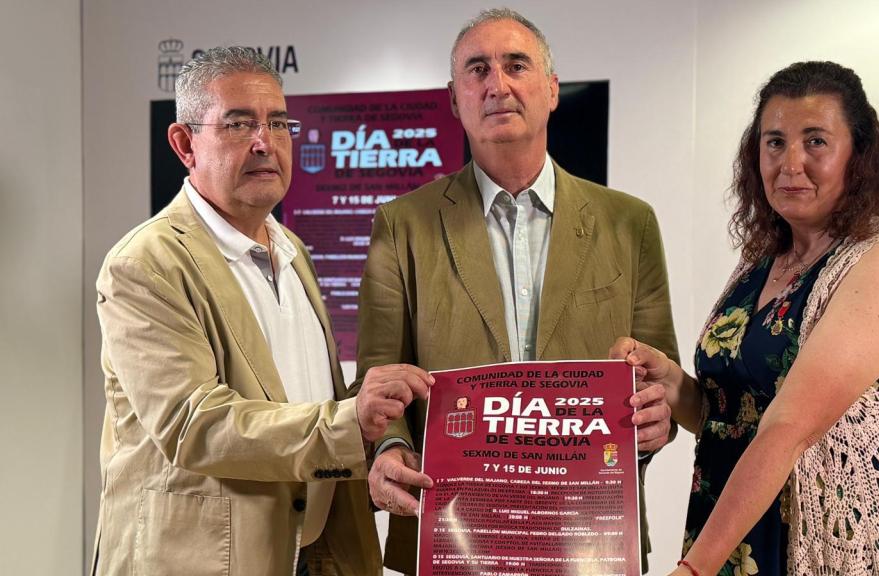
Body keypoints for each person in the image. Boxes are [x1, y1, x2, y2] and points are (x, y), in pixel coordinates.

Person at [354, 8, 678, 574]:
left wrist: (659, 421)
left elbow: (659, 376)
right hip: (451, 534)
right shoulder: (402, 224)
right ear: (455, 99)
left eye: (516, 65)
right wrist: (387, 448)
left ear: (551, 90)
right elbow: (378, 375)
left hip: (590, 536)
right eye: (477, 70)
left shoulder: (630, 223)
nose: (497, 85)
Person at [92, 47, 432, 576]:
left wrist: (377, 453)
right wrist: (348, 423)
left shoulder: (292, 251)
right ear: (185, 145)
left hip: (308, 552)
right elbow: (195, 425)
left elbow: (302, 397)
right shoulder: (145, 264)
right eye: (238, 124)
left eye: (278, 122)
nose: (264, 142)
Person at [612, 61, 879, 575]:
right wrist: (669, 380)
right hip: (733, 540)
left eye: (816, 141)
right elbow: (731, 420)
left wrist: (693, 570)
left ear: (859, 156)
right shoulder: (760, 264)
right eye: (774, 142)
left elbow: (787, 429)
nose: (790, 163)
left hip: (829, 549)